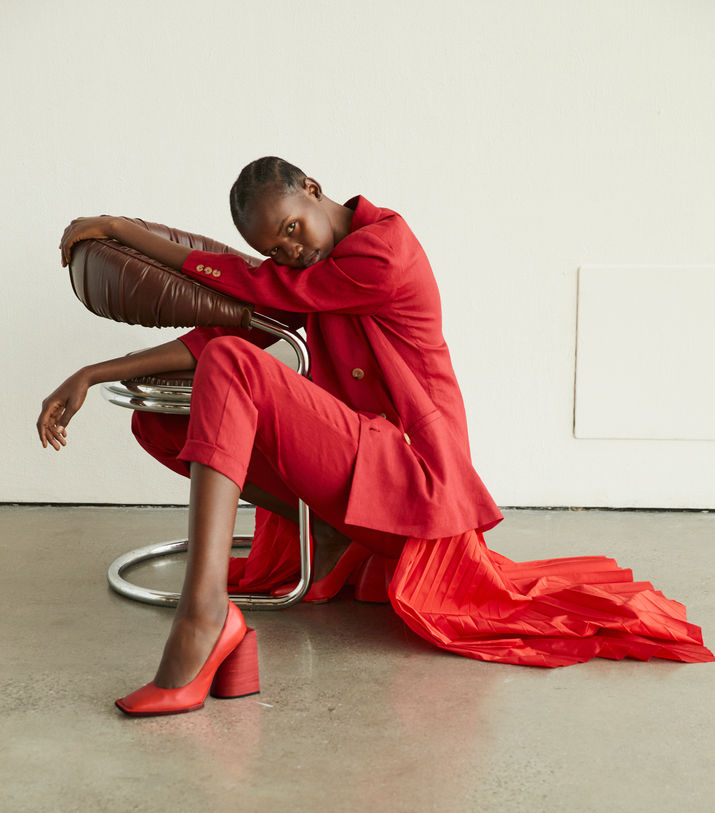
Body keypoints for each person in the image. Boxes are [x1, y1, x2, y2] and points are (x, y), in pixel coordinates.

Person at [38, 157, 713, 716]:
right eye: (276, 248)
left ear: (313, 188)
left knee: (232, 366)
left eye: (292, 229)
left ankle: (204, 616)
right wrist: (94, 372)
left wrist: (120, 229)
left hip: (416, 478)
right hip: (363, 466)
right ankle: (329, 535)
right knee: (161, 417)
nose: (290, 250)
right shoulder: (312, 271)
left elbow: (247, 289)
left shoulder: (382, 251)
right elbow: (234, 323)